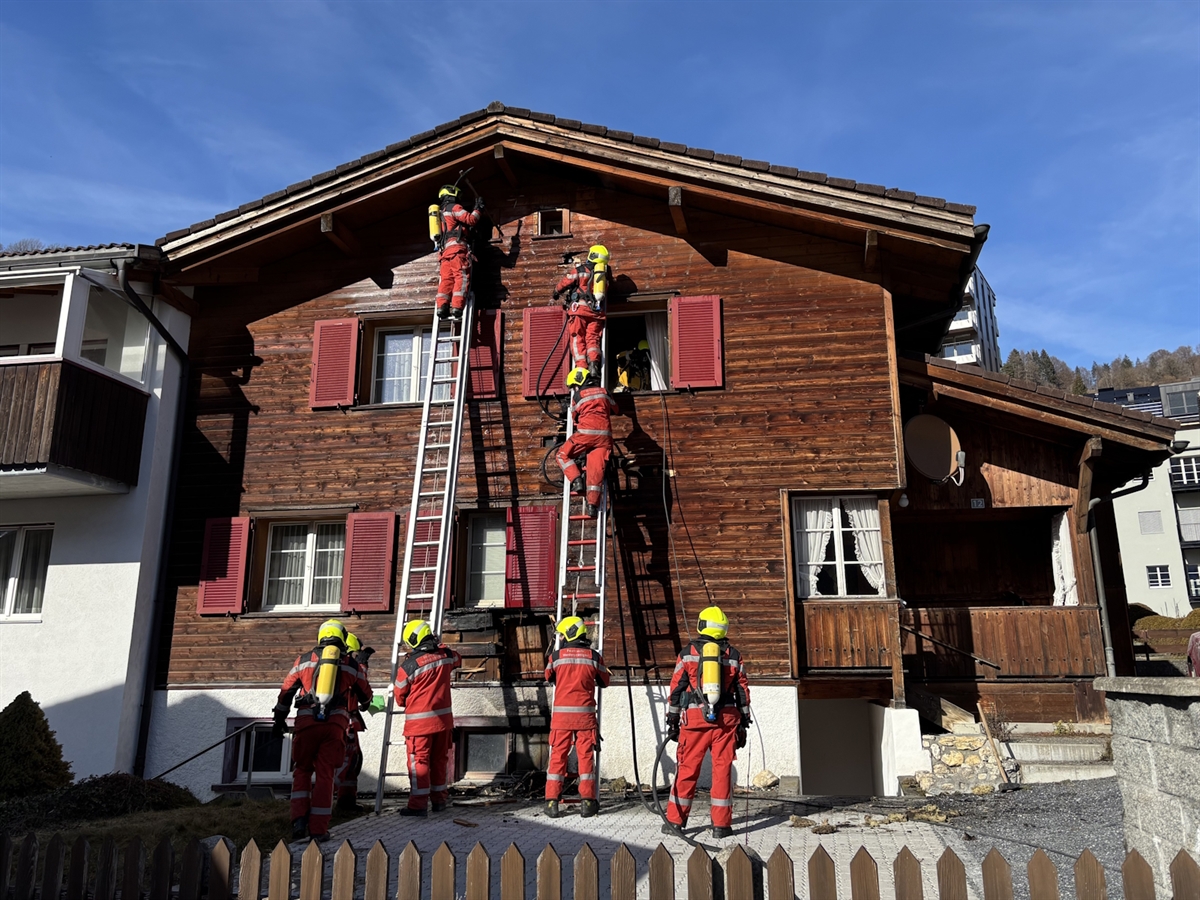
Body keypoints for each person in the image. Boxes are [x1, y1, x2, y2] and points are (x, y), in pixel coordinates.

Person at [274, 619, 373, 841]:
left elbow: (286, 692)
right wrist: (364, 704)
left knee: (302, 770)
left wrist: (278, 719)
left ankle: (299, 821)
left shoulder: (303, 661)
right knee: (326, 774)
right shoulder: (350, 664)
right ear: (342, 637)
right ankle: (319, 829)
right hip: (334, 725)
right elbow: (366, 694)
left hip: (306, 723)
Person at [661, 606, 750, 839]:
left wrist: (672, 718)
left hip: (695, 722)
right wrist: (744, 719)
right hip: (726, 722)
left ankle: (675, 822)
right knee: (722, 771)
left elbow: (677, 687)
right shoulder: (733, 654)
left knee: (688, 769)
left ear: (702, 625)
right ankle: (721, 826)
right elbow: (742, 690)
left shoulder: (688, 652)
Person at [392, 619, 462, 816]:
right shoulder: (446, 656)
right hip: (443, 723)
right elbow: (458, 659)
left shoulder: (409, 665)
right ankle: (439, 801)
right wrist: (441, 645)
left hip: (419, 725)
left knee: (419, 763)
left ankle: (418, 805)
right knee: (440, 760)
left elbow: (399, 696)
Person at [544, 616, 611, 818]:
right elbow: (605, 681)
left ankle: (551, 803)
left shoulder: (556, 657)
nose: (562, 638)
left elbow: (549, 677)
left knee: (557, 759)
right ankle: (588, 803)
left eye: (563, 635)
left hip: (561, 720)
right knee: (585, 759)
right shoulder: (594, 657)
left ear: (569, 634)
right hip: (585, 719)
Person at [556, 367, 619, 517]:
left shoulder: (578, 396)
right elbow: (616, 409)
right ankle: (592, 506)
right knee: (595, 472)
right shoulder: (604, 392)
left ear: (578, 382)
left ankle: (576, 480)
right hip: (605, 439)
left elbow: (574, 418)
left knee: (562, 455)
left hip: (585, 435)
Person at [335, 633, 381, 810]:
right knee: (345, 763)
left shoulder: (339, 666)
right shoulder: (347, 667)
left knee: (352, 763)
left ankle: (346, 802)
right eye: (355, 654)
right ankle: (322, 802)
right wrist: (362, 664)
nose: (356, 658)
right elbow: (360, 682)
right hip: (344, 720)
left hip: (347, 718)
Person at [553, 245, 610, 377]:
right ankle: (594, 365)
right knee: (593, 339)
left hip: (579, 311)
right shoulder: (603, 278)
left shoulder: (580, 270)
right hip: (596, 313)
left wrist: (556, 291)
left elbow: (566, 282)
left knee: (577, 338)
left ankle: (582, 367)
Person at [434, 184, 483, 320]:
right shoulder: (454, 208)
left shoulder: (440, 213)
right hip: (457, 250)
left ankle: (442, 307)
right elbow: (471, 220)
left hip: (444, 253)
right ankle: (456, 307)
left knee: (446, 280)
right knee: (461, 277)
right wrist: (478, 209)